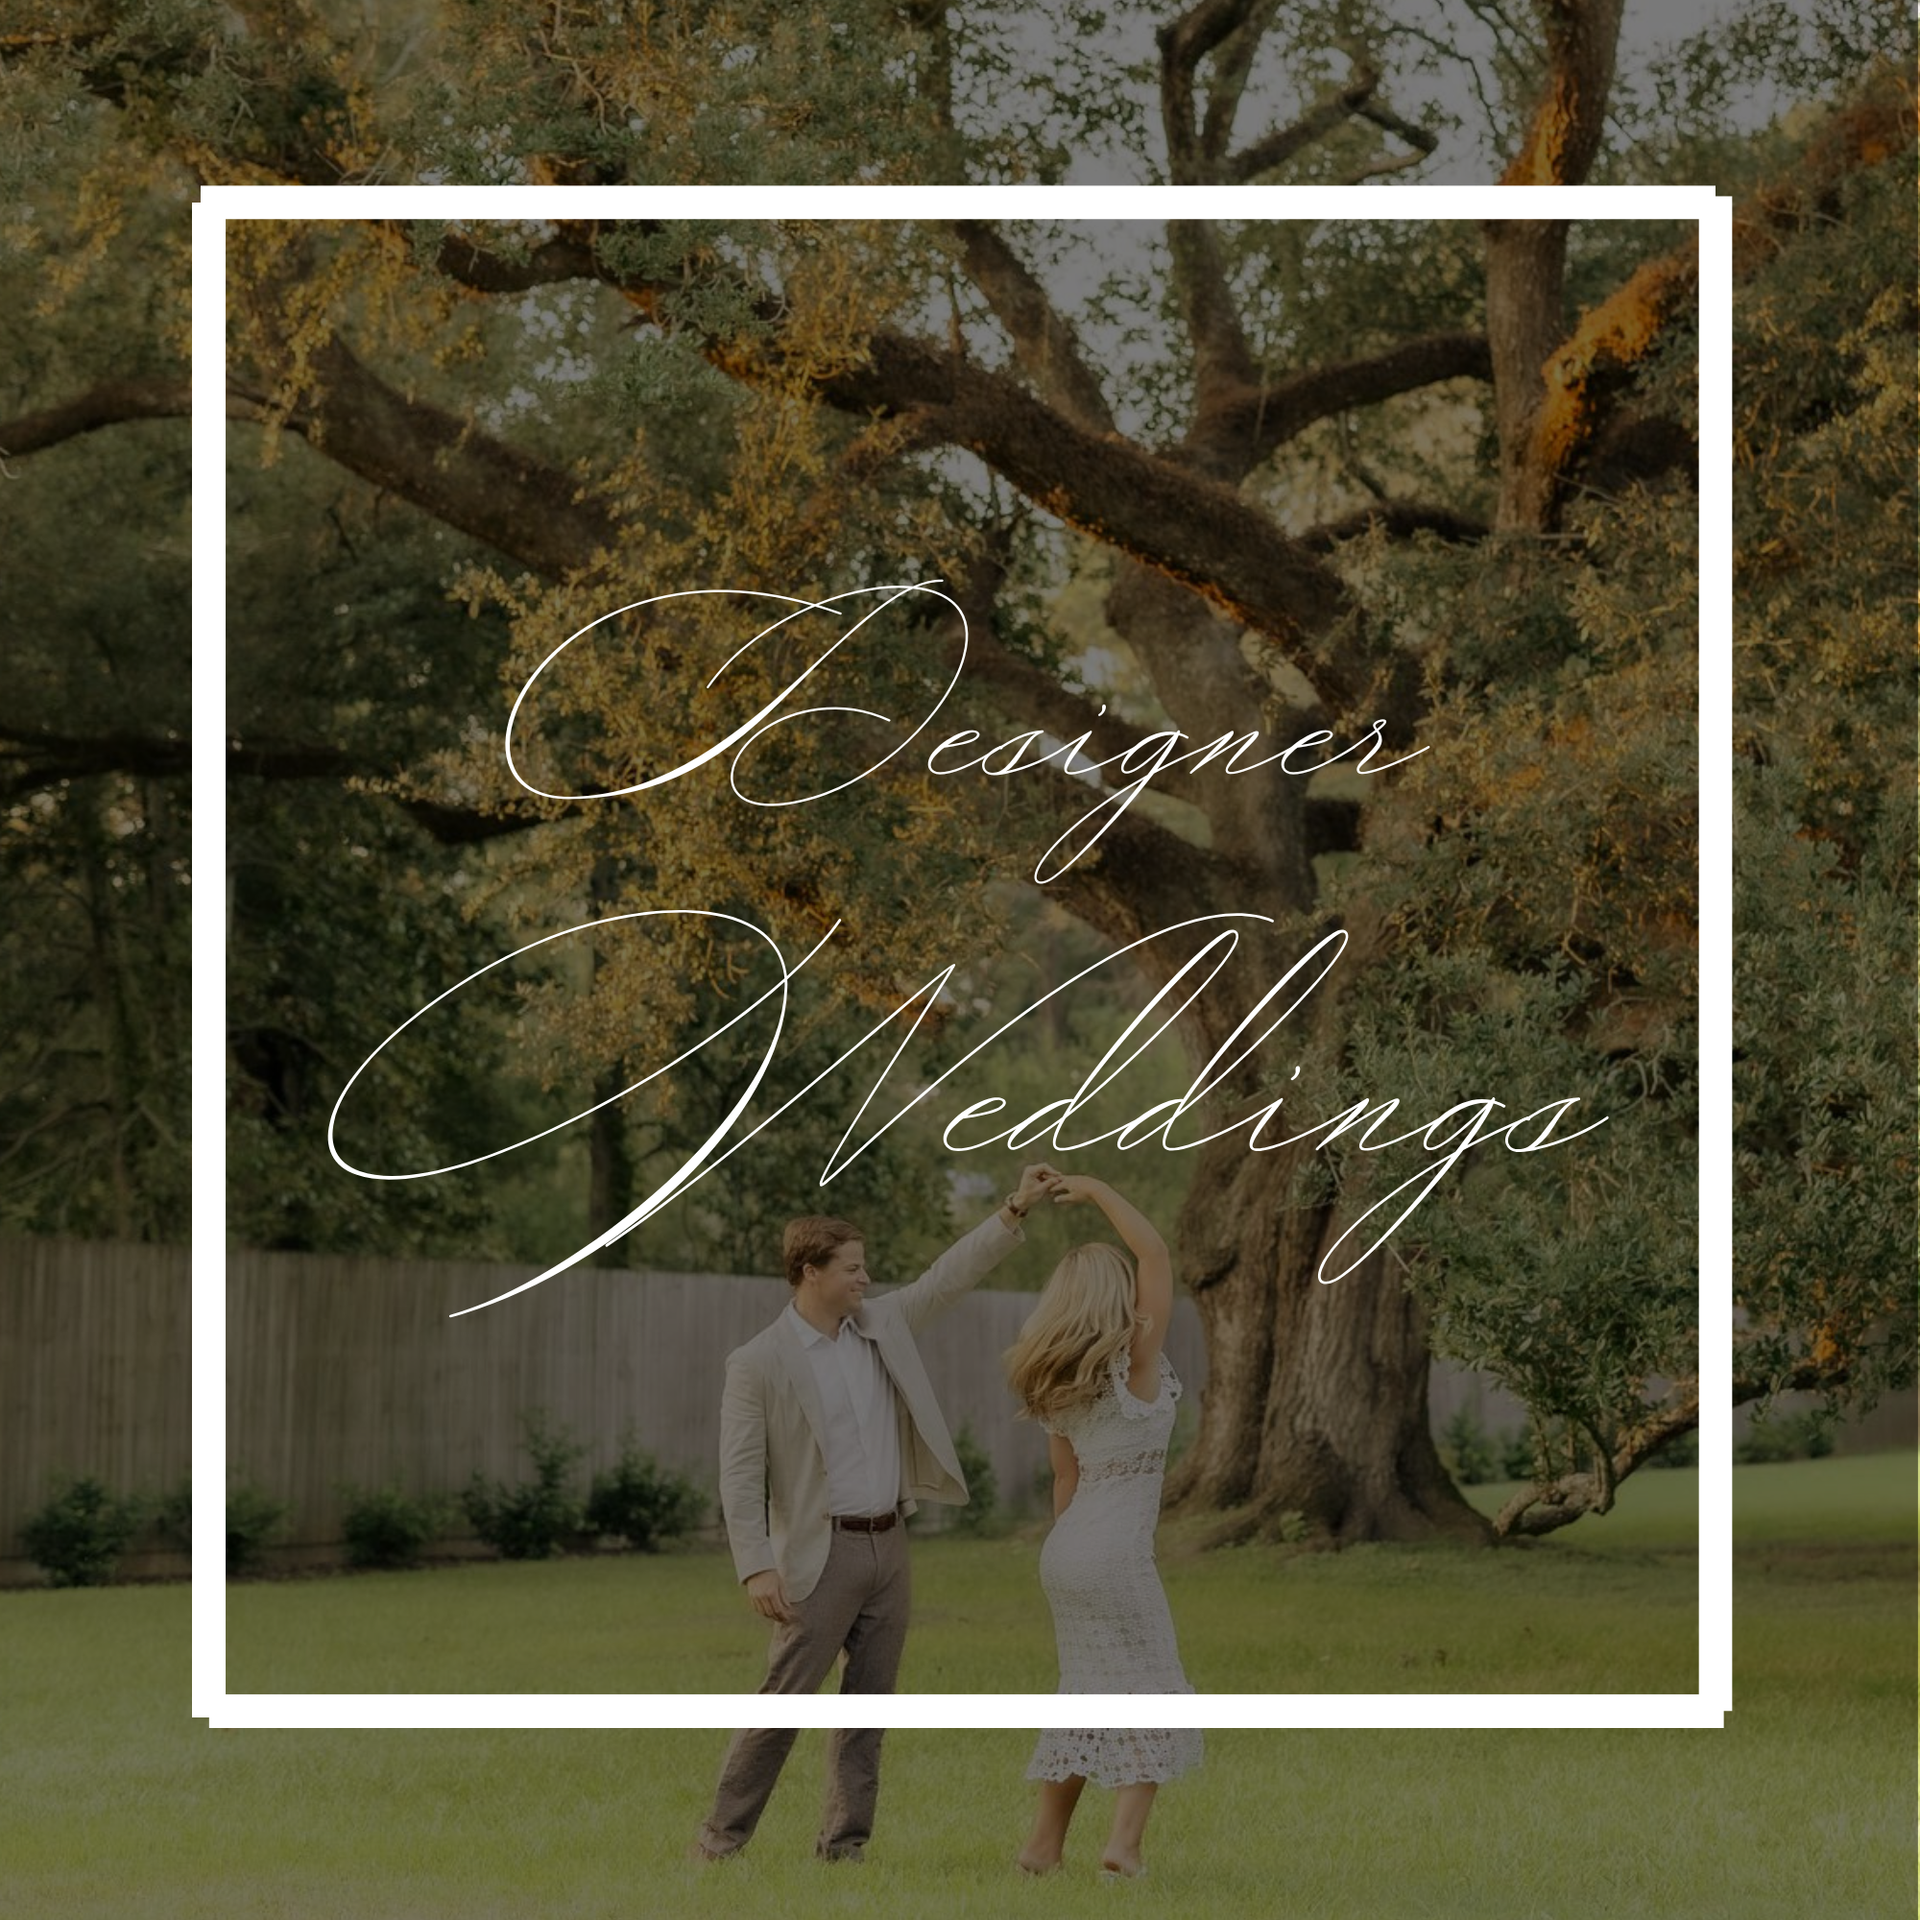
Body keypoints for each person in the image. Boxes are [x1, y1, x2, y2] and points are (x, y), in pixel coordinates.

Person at [692, 1162, 1060, 1865]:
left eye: (864, 1268)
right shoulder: (758, 1363)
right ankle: (718, 1843)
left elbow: (944, 1280)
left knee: (868, 1711)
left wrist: (1015, 1208)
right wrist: (755, 1566)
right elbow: (740, 1476)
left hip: (888, 1548)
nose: (865, 1280)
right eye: (852, 1268)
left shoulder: (880, 1325)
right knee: (783, 1704)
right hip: (815, 1555)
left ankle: (844, 1848)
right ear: (810, 1271)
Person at [1003, 1173, 1202, 1881]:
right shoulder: (1136, 1364)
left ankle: (1041, 1848)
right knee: (1152, 1690)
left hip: (1066, 1552)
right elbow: (1155, 1256)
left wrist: (1074, 1555)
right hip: (1115, 1553)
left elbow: (1066, 1480)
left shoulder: (1061, 1381)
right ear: (1116, 1299)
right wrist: (1097, 1191)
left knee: (1087, 1693)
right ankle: (1122, 1848)